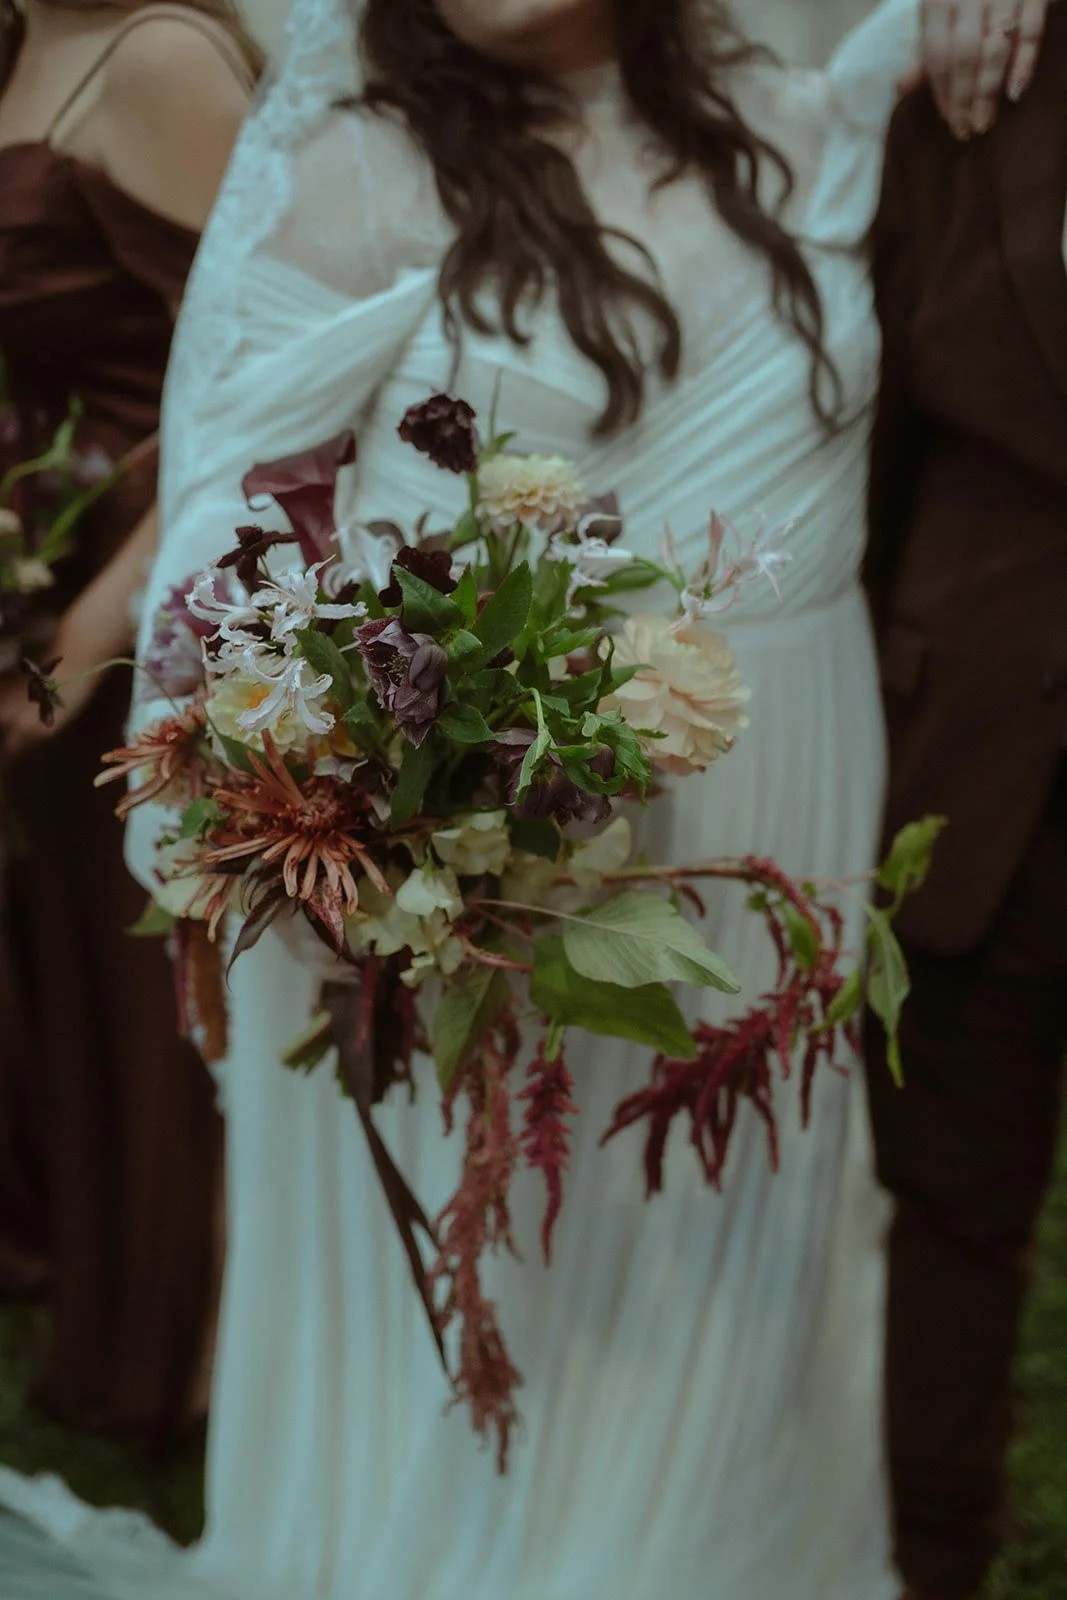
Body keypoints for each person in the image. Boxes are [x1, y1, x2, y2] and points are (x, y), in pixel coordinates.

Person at [0, 0, 1044, 1596]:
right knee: (512, 1286)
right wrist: (323, 833)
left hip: (782, 809)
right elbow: (221, 558)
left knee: (728, 1256)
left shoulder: (812, 130)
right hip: (484, 854)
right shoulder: (354, 170)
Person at [0, 0, 256, 1440]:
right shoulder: (18, 39)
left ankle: (208, 1360)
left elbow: (246, 384)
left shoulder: (161, 56)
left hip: (147, 601)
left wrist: (86, 630)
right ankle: (106, 1324)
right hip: (30, 574)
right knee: (77, 978)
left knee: (161, 994)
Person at [864, 4, 1067, 1596]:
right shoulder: (972, 64)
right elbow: (878, 435)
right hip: (977, 755)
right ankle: (924, 1564)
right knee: (942, 1219)